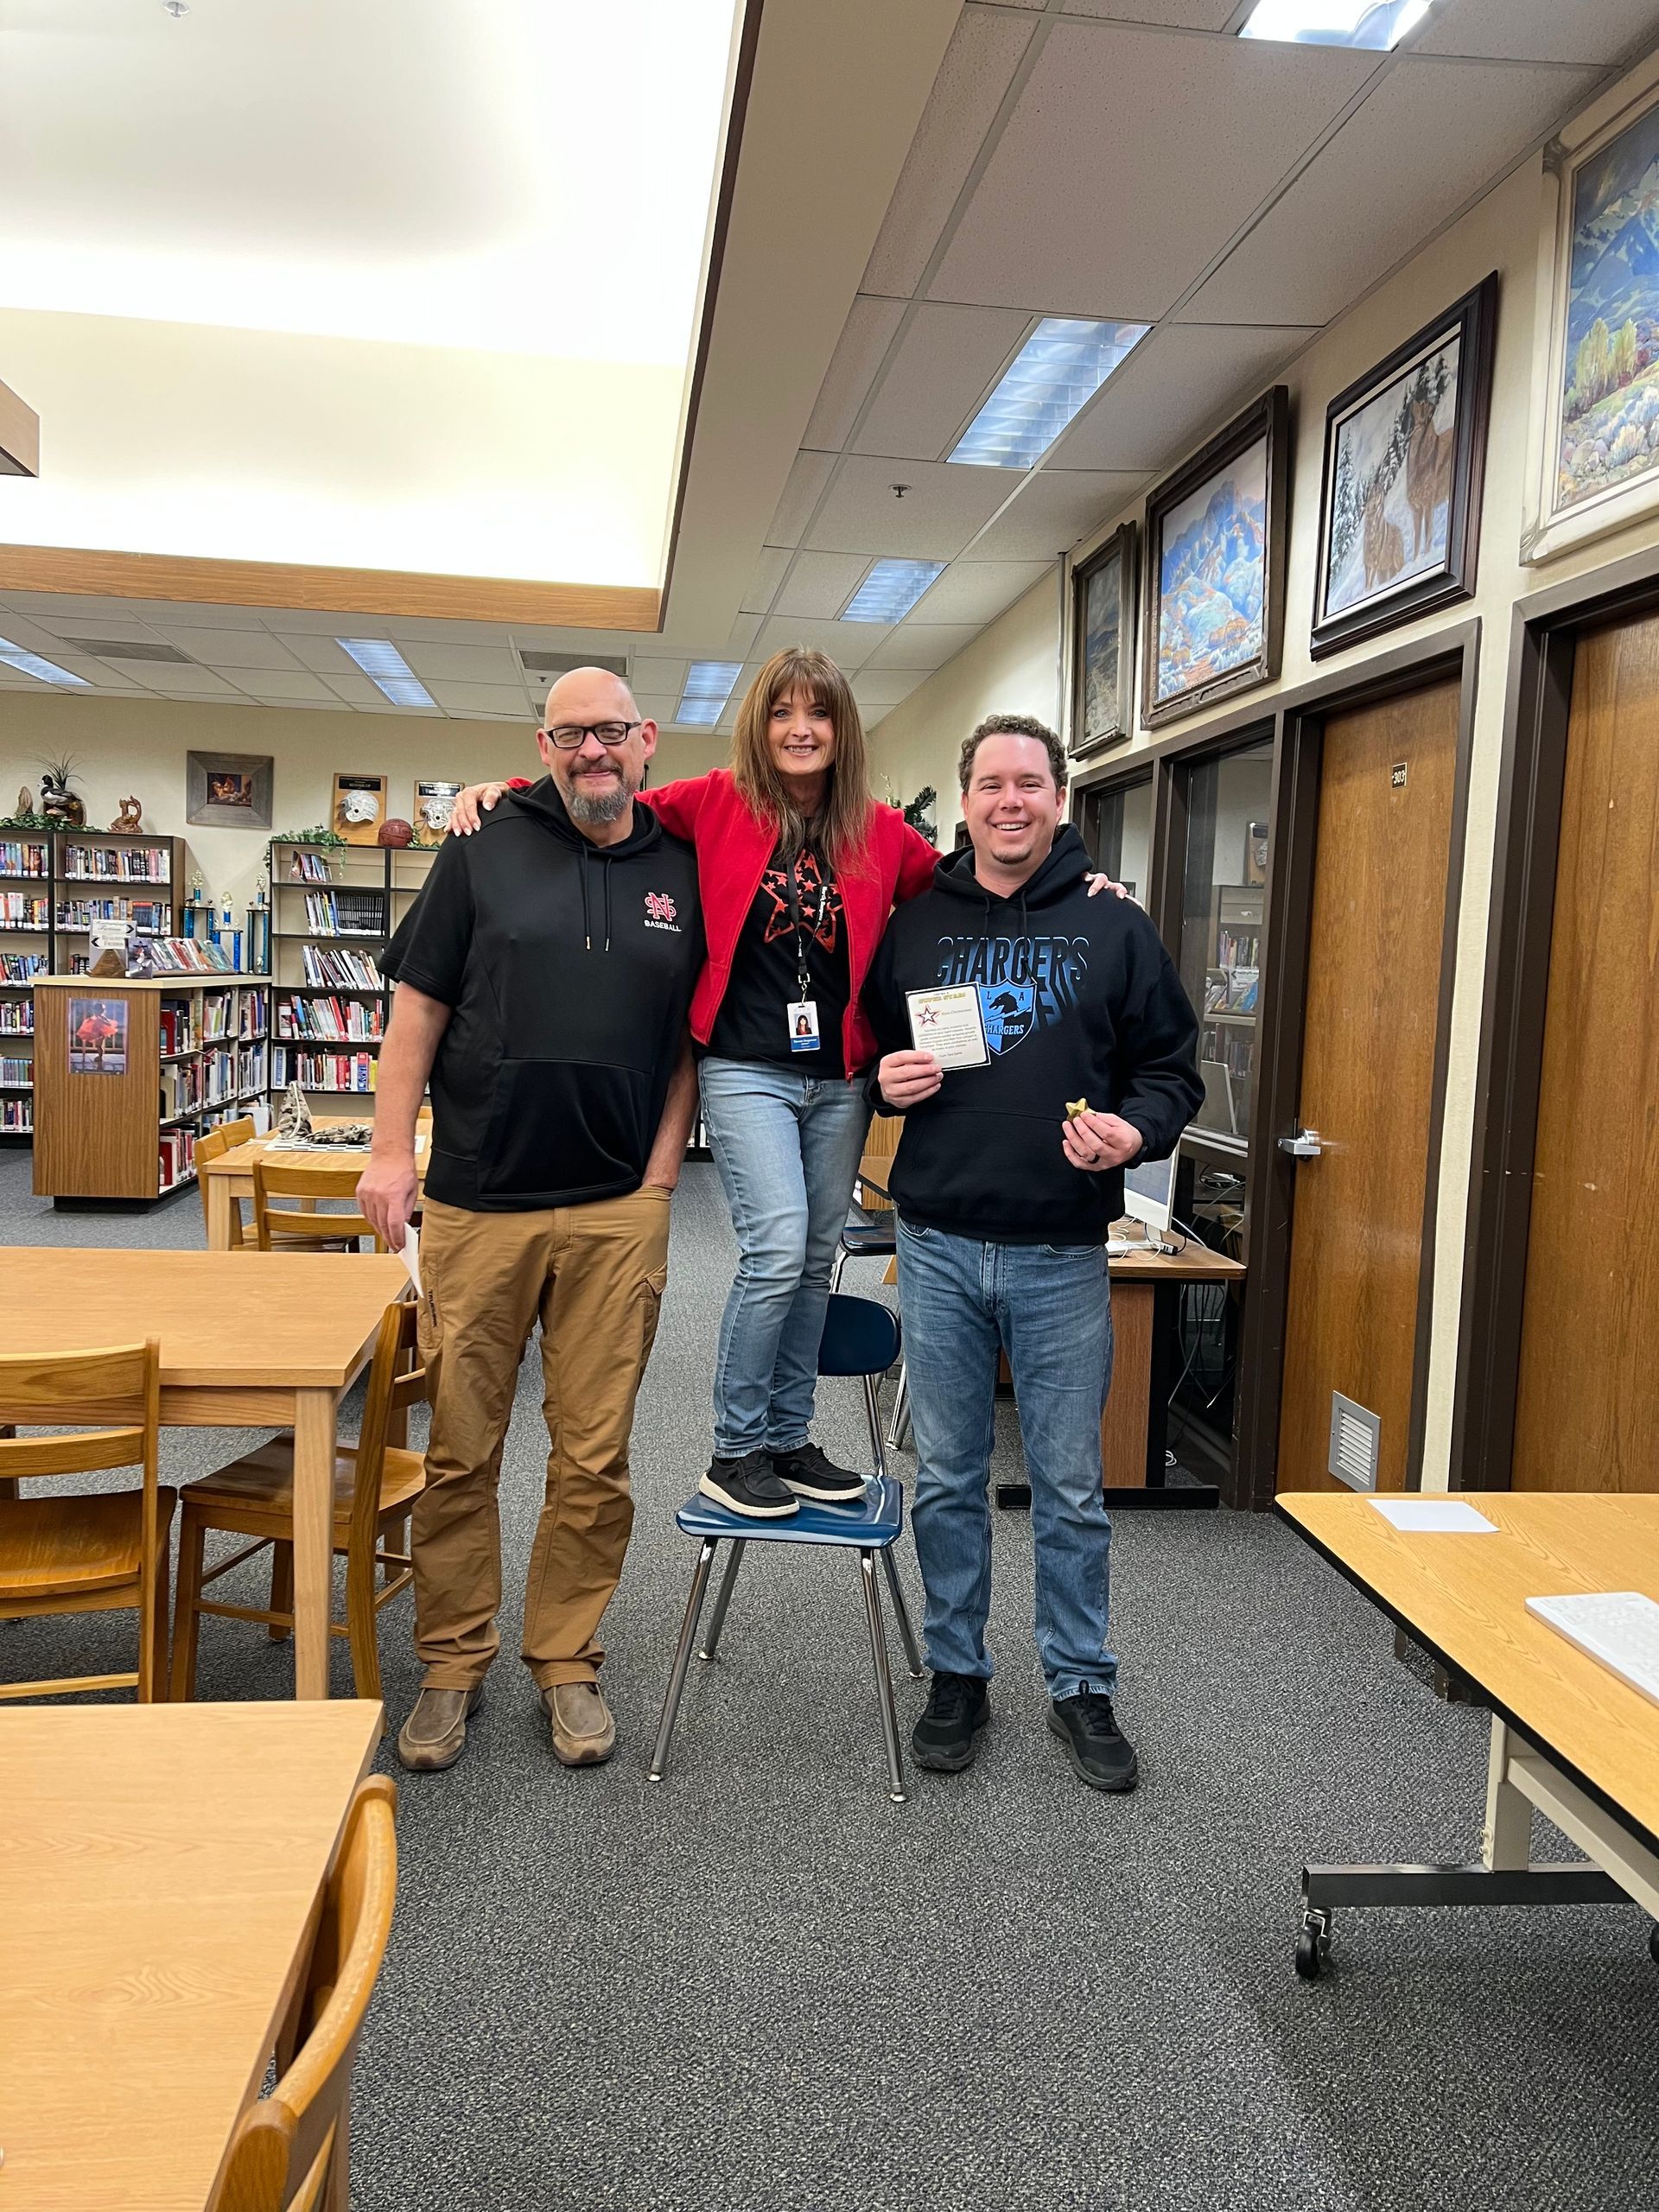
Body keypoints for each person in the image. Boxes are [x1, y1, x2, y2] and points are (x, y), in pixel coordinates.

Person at [448, 652, 1122, 1526]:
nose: (800, 728)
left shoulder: (879, 831)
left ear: (842, 730)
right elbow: (605, 799)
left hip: (838, 1076)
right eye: (782, 713)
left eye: (819, 713)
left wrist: (1079, 883)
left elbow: (974, 882)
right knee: (774, 1249)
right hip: (746, 1067)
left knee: (813, 1258)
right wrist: (501, 790)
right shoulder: (716, 801)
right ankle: (735, 1448)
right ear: (759, 728)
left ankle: (788, 1436)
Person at [358, 668, 702, 1776]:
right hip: (477, 1201)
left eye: (611, 731)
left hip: (616, 1210)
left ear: (646, 740)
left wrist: (657, 1178)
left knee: (595, 1456)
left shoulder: (682, 868)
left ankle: (566, 1658)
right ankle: (452, 1663)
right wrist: (387, 1148)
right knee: (461, 1450)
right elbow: (418, 1007)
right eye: (571, 734)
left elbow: (689, 1041)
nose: (593, 750)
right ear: (543, 745)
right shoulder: (481, 846)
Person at [862, 713, 1203, 1793]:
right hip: (941, 1241)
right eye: (991, 783)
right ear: (964, 800)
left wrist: (1135, 1132)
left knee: (1067, 1483)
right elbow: (867, 1045)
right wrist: (886, 1081)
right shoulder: (916, 920)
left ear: (1061, 799)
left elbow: (1171, 1070)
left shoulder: (1117, 927)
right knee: (952, 1476)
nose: (1011, 800)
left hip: (1061, 1249)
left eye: (1031, 783)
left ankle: (1080, 1683)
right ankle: (956, 1672)